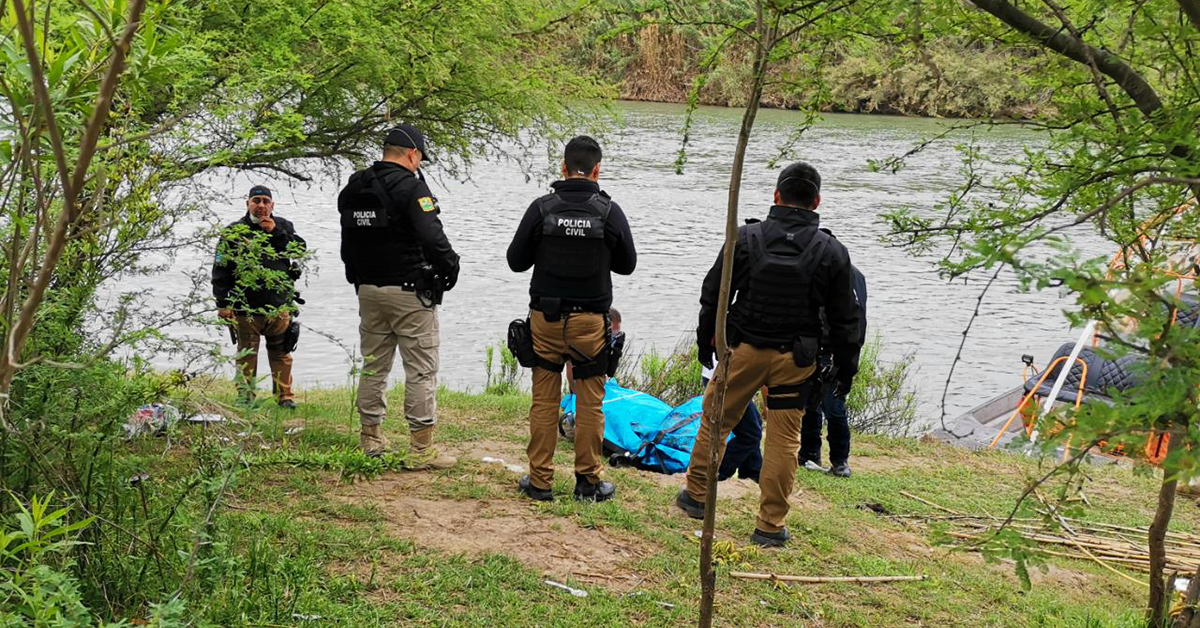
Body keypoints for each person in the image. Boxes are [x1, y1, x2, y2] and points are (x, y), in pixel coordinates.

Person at [676, 161, 860, 547]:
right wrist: (846, 370)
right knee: (783, 440)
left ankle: (695, 495)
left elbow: (713, 295)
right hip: (796, 360)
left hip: (742, 351)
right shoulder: (831, 251)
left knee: (715, 422)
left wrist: (705, 342)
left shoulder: (745, 237)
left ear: (776, 196)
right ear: (817, 202)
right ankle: (770, 526)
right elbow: (847, 320)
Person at [507, 135, 637, 503]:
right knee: (590, 401)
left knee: (544, 401)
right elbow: (628, 265)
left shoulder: (541, 208)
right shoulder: (608, 211)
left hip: (545, 322)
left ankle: (540, 482)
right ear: (597, 170)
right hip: (589, 324)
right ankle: (588, 483)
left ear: (563, 168)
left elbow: (516, 260)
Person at [338, 123, 460, 469]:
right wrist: (451, 267)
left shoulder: (354, 187)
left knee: (374, 366)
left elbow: (348, 241)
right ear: (412, 154)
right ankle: (422, 450)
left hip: (369, 289)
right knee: (421, 370)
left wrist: (358, 279)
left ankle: (370, 438)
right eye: (420, 158)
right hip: (410, 291)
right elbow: (432, 236)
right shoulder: (412, 187)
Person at [213, 185, 306, 409]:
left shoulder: (284, 226)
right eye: (256, 200)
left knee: (282, 353)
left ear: (272, 205)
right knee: (246, 354)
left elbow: (299, 249)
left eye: (266, 201)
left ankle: (285, 397)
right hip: (246, 307)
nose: (261, 205)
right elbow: (220, 270)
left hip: (278, 305)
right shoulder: (233, 232)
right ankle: (246, 397)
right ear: (248, 204)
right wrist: (223, 303)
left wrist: (275, 233)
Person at [800, 264, 867, 478]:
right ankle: (809, 454)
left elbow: (857, 322)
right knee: (808, 403)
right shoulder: (812, 270)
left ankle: (839, 460)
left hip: (836, 352)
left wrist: (846, 363)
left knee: (834, 406)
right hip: (811, 348)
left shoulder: (850, 277)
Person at [700, 359, 763, 483]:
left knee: (756, 423)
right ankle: (719, 474)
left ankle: (752, 473)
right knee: (750, 435)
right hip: (726, 379)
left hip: (726, 377)